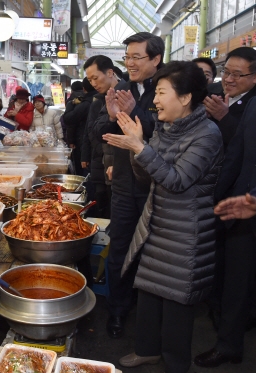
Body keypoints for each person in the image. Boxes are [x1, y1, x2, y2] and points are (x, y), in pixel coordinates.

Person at [103, 61, 222, 373]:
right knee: (149, 292)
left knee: (176, 302)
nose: (154, 100)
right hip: (157, 223)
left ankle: (175, 363)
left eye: (161, 93)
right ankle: (146, 350)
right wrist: (135, 149)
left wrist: (139, 147)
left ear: (185, 97)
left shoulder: (207, 134)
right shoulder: (167, 127)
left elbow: (177, 181)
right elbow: (148, 179)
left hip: (186, 232)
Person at [91, 32, 165, 339]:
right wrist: (111, 117)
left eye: (137, 57)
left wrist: (134, 112)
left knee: (155, 252)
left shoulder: (168, 88)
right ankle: (118, 311)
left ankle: (153, 317)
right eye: (127, 57)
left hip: (158, 186)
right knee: (119, 247)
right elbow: (98, 133)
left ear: (156, 59)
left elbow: (167, 131)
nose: (130, 63)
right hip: (123, 184)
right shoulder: (119, 88)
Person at [194, 90, 256, 371]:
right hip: (241, 207)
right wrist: (215, 197)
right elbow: (237, 152)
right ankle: (228, 346)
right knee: (235, 286)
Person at [81, 55, 122, 219]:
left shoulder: (124, 94)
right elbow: (92, 130)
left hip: (117, 167)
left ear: (110, 72)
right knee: (104, 205)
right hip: (102, 161)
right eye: (90, 80)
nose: (93, 84)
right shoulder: (99, 98)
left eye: (95, 78)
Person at [204, 47, 256, 149]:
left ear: (255, 76)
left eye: (237, 75)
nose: (228, 79)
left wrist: (223, 117)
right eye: (226, 72)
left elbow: (251, 144)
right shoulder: (210, 91)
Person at [64, 78, 96, 175]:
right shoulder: (98, 99)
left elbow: (69, 120)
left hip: (82, 140)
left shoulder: (83, 103)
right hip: (93, 142)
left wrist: (71, 140)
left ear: (84, 88)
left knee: (83, 171)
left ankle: (84, 188)